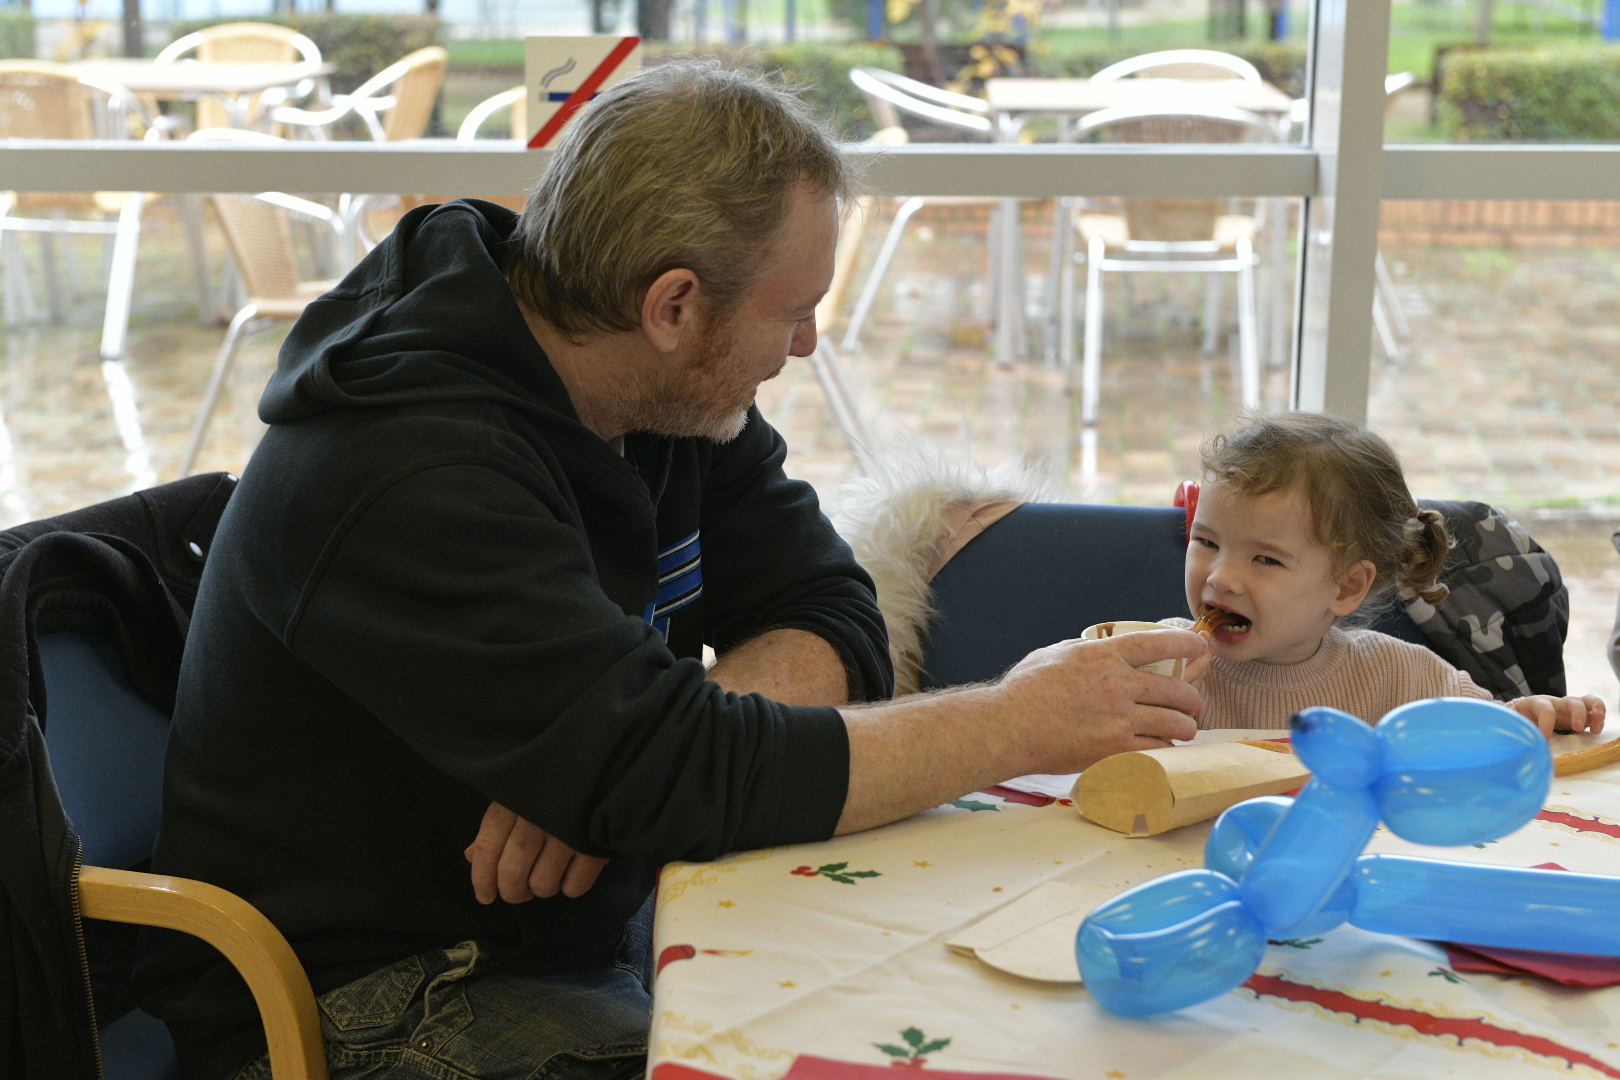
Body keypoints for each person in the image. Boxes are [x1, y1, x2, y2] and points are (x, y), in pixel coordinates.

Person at [135, 62, 1209, 1080]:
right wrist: (1018, 721)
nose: (806, 345)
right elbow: (687, 772)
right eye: (792, 313)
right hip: (373, 994)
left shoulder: (658, 387)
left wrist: (635, 767)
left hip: (592, 919)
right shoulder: (407, 471)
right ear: (674, 307)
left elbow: (831, 612)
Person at [1165, 412, 1604, 736]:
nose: (1221, 578)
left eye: (1266, 560)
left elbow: (1485, 730)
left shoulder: (1398, 676)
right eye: (1207, 542)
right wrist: (1147, 706)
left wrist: (1528, 715)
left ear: (1347, 586)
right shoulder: (1160, 662)